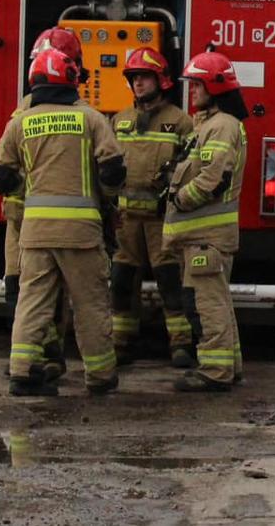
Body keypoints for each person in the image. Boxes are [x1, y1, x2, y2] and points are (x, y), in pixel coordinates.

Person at [0, 46, 126, 396]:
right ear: (71, 81)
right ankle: (100, 376)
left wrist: (29, 187)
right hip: (81, 233)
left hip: (34, 232)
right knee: (89, 304)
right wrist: (106, 198)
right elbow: (112, 170)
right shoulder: (92, 119)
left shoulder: (21, 121)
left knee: (32, 300)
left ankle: (21, 370)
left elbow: (0, 175)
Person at [0, 28, 86, 381]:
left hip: (28, 219)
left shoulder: (26, 110)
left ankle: (41, 359)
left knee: (32, 291)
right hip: (31, 218)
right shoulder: (67, 111)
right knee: (33, 292)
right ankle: (37, 359)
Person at [107, 47, 196, 368]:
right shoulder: (119, 120)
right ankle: (120, 342)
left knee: (170, 281)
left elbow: (192, 166)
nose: (138, 84)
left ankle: (182, 345)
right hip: (126, 221)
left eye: (144, 77)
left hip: (163, 220)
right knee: (120, 281)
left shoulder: (181, 123)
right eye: (134, 78)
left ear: (161, 80)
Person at [166, 51, 249, 393]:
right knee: (212, 301)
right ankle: (229, 364)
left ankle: (215, 371)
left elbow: (214, 178)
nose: (192, 91)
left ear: (215, 87)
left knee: (206, 304)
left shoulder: (222, 127)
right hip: (201, 235)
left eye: (197, 84)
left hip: (207, 236)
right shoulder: (209, 124)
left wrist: (180, 198)